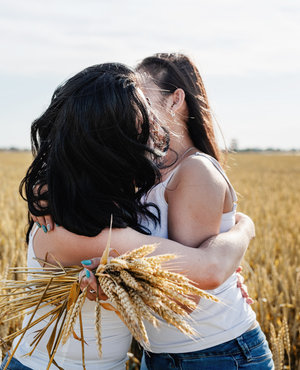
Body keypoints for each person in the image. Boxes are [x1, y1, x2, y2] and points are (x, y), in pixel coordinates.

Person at [2, 63, 254, 370]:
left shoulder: (106, 202)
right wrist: (244, 227)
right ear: (113, 140)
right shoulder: (74, 231)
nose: (150, 121)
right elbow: (208, 269)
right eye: (141, 114)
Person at [82, 54, 274, 369]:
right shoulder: (143, 172)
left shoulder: (194, 170)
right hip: (160, 354)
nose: (133, 109)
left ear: (176, 100)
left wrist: (109, 289)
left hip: (217, 354)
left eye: (143, 98)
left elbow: (183, 297)